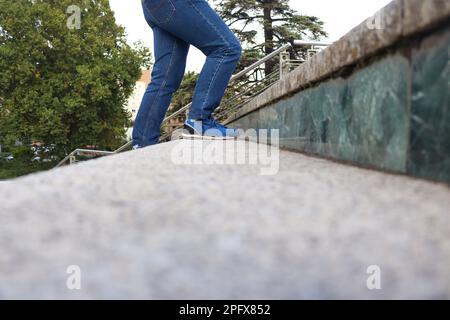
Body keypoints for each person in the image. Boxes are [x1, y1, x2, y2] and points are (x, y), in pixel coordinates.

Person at [132, 0, 243, 149]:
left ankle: (142, 142)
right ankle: (199, 121)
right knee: (227, 48)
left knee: (166, 77)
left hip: (152, 6)